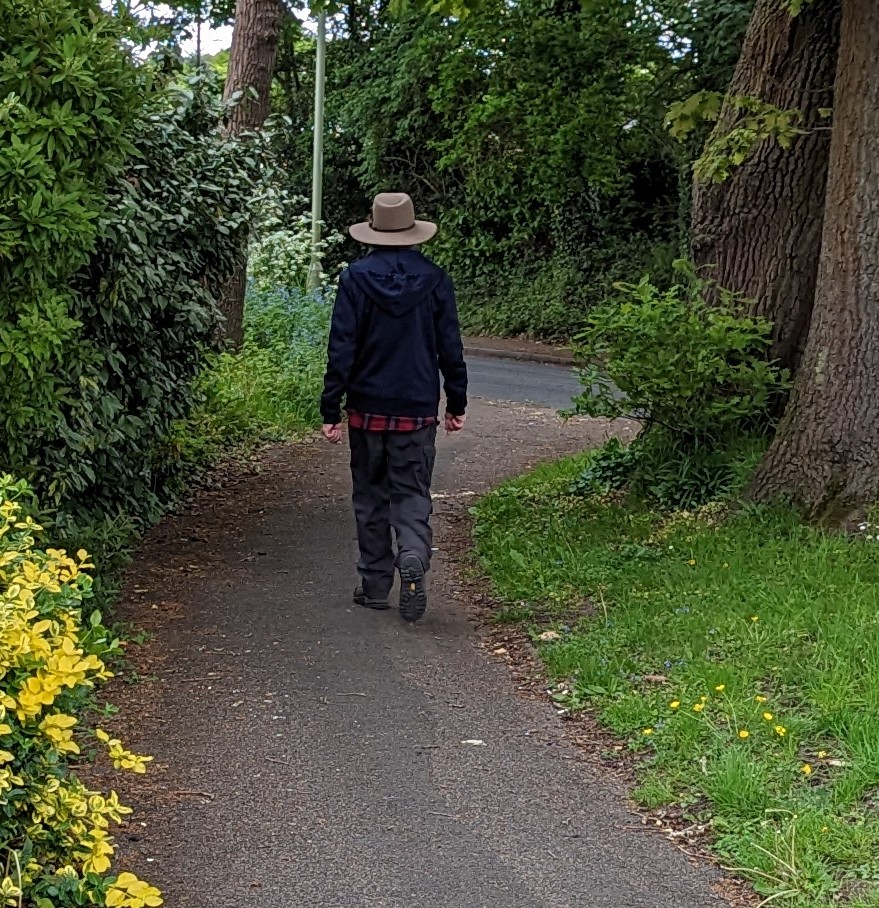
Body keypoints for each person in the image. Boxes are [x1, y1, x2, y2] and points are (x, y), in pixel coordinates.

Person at [320, 192, 468, 623]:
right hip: (417, 410)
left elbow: (341, 348)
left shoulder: (354, 279)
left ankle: (374, 585)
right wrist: (456, 400)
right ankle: (415, 556)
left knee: (370, 497)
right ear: (412, 232)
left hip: (367, 409)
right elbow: (450, 348)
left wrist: (331, 407)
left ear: (374, 232)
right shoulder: (436, 279)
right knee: (411, 492)